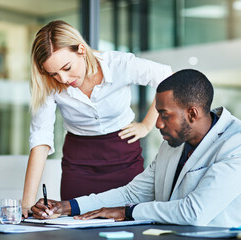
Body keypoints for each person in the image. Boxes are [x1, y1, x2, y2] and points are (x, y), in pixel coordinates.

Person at [30, 69, 241, 228]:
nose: (157, 124)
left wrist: (127, 212)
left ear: (192, 113)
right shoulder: (173, 144)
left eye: (164, 115)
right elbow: (132, 193)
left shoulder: (240, 142)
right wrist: (67, 206)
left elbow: (195, 213)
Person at [22, 20, 173, 218]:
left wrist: (146, 125)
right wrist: (26, 202)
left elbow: (167, 78)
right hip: (79, 162)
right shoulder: (49, 83)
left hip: (123, 154)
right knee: (77, 226)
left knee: (129, 223)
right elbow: (40, 139)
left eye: (67, 68)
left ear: (81, 50)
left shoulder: (120, 64)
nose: (63, 79)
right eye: (54, 74)